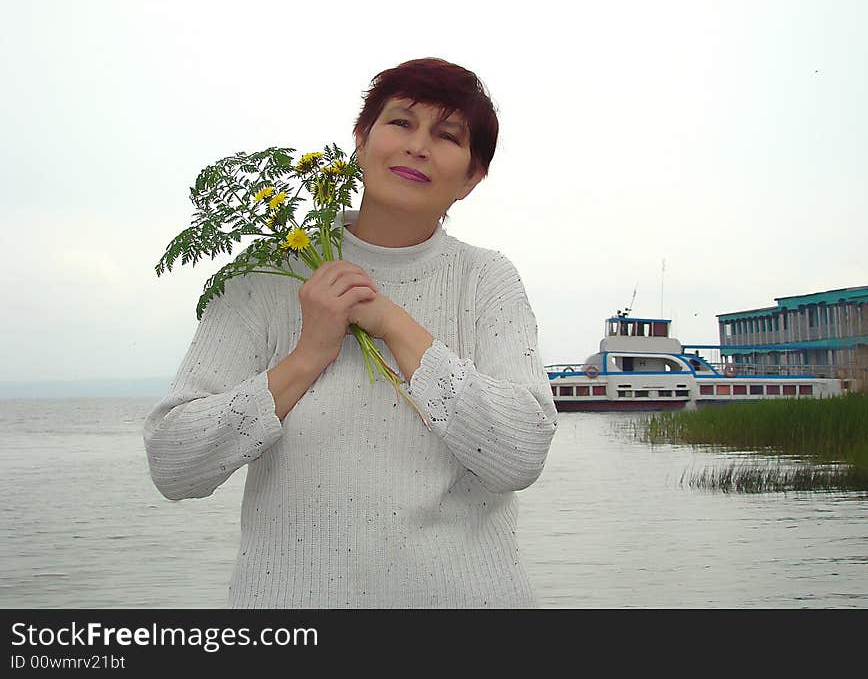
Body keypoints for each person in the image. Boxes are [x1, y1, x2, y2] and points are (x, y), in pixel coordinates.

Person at [143, 58, 558, 608]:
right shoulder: (268, 275)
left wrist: (391, 322)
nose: (418, 146)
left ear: (472, 177)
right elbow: (175, 464)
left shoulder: (486, 281)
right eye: (401, 123)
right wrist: (307, 355)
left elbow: (519, 454)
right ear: (361, 141)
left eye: (447, 135)